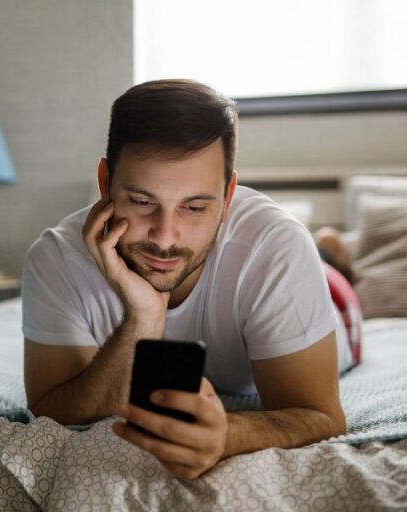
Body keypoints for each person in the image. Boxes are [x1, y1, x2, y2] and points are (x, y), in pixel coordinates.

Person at [21, 79, 346, 480]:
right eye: (143, 202)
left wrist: (229, 433)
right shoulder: (55, 259)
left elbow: (322, 416)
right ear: (105, 183)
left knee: (335, 277)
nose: (164, 237)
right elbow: (51, 411)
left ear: (228, 197)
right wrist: (144, 318)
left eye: (193, 207)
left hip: (338, 306)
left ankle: (336, 253)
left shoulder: (276, 248)